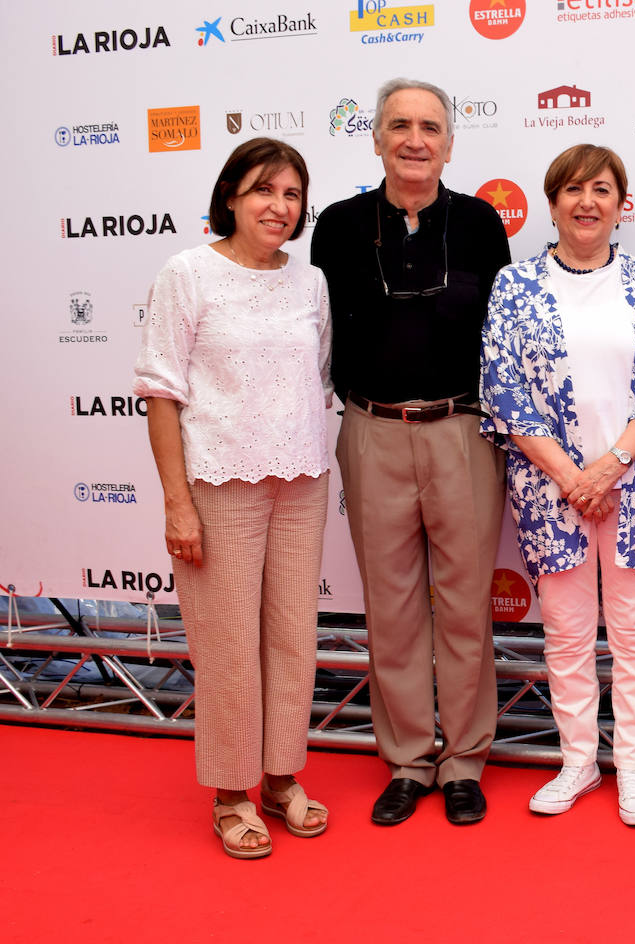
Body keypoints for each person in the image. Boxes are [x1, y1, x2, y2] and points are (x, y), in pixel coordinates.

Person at [311, 78, 511, 827]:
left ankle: (463, 763)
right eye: (400, 125)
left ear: (450, 143)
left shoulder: (484, 224)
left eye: (430, 126)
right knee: (391, 610)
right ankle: (405, 761)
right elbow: (317, 334)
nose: (415, 139)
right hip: (371, 431)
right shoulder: (333, 225)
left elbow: (504, 339)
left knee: (464, 607)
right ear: (376, 138)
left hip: (463, 430)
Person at [481, 144, 635, 826]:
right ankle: (578, 761)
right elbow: (504, 392)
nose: (586, 202)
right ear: (551, 204)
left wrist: (611, 467)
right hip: (551, 489)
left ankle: (632, 767)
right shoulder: (515, 287)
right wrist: (573, 477)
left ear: (620, 204)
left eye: (601, 189)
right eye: (572, 189)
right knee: (568, 635)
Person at [134, 137, 331, 859]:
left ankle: (281, 779)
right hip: (217, 484)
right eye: (262, 191)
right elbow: (161, 392)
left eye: (290, 194)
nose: (277, 207)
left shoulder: (309, 283)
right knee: (226, 647)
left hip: (303, 481)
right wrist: (176, 502)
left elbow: (321, 374)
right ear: (229, 198)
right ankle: (229, 792)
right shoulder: (187, 273)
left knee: (291, 638)